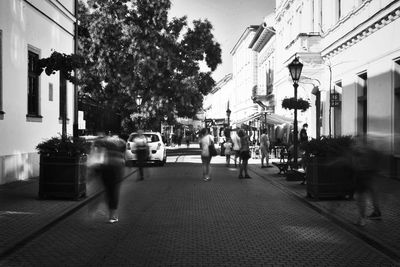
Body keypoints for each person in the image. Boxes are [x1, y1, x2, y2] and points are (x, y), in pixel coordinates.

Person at [90, 132, 126, 224]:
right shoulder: (118, 143)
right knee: (113, 191)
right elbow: (123, 154)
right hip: (116, 169)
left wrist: (94, 171)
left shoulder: (99, 143)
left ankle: (106, 211)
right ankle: (112, 215)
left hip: (106, 168)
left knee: (108, 190)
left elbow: (95, 157)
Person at [352, 135, 382, 226]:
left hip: (362, 176)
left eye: (356, 141)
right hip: (369, 176)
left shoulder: (359, 151)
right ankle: (374, 213)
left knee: (360, 197)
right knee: (366, 196)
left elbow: (356, 164)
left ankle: (362, 219)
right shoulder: (370, 151)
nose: (354, 143)